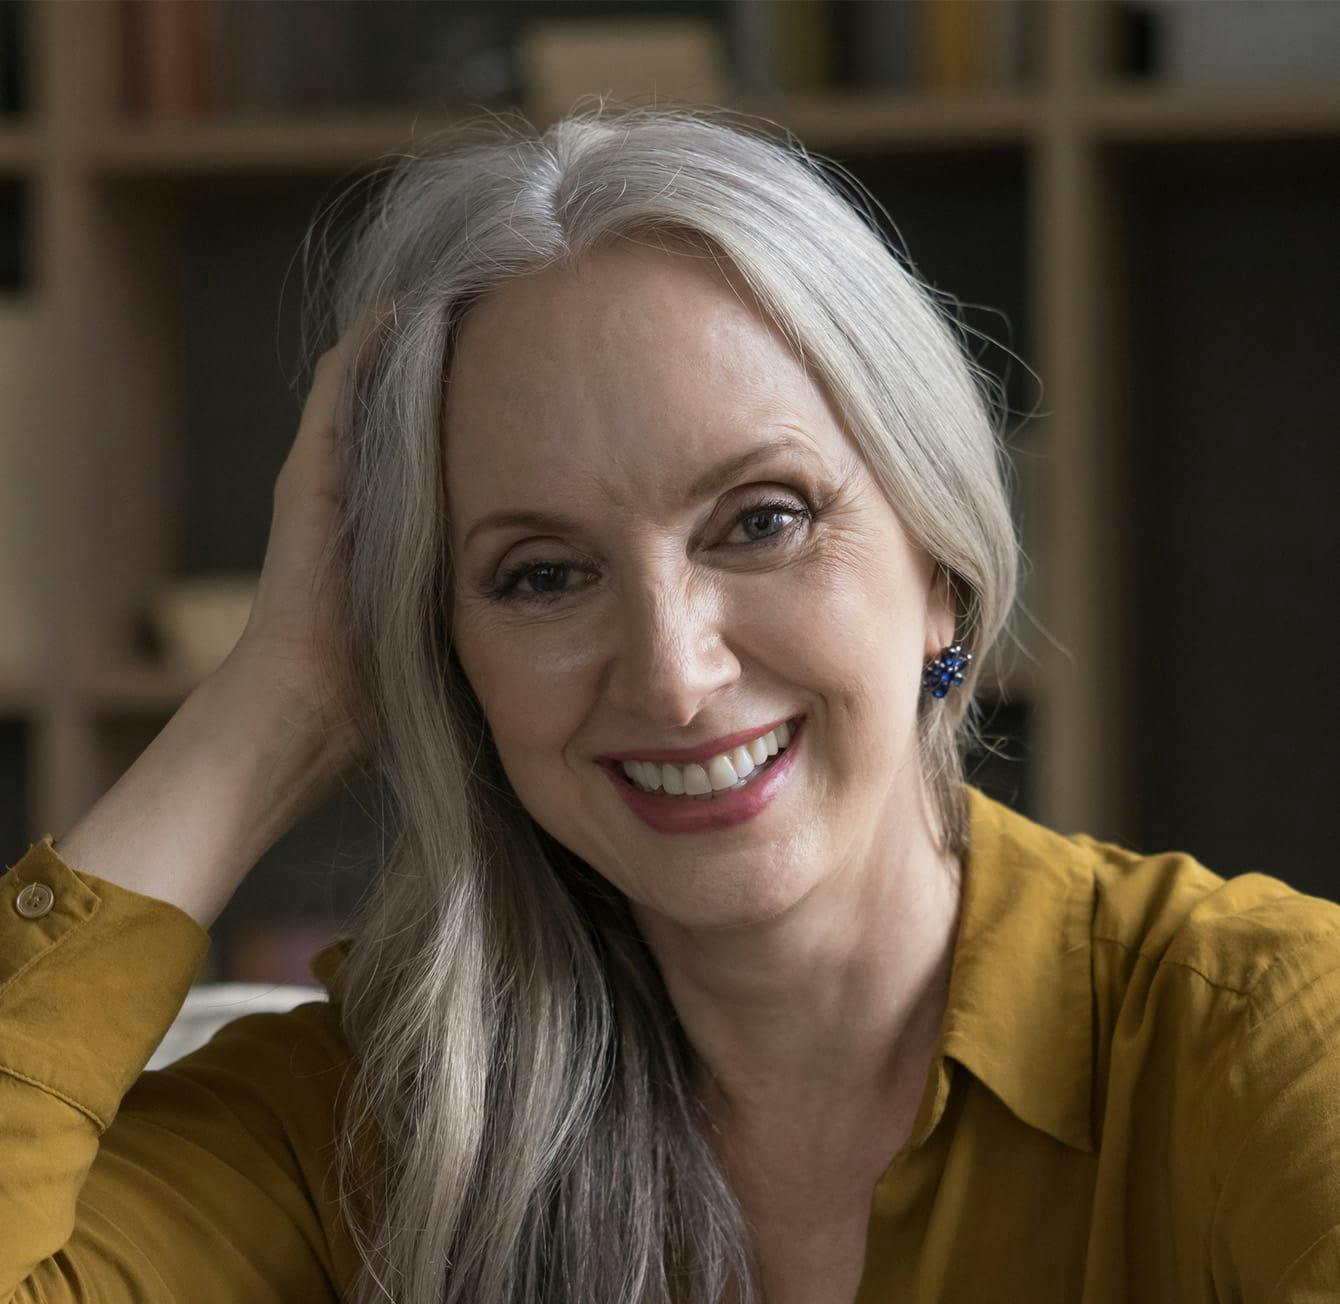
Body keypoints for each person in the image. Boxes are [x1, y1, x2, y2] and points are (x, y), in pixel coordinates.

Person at [2, 103, 1338, 1304]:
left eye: (760, 521)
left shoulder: (1258, 1041)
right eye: (541, 575)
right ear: (444, 653)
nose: (673, 674)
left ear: (941, 568)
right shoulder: (363, 1131)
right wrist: (274, 706)